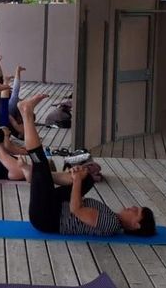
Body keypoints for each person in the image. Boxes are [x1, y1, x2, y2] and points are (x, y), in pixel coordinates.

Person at [10, 94, 156, 236]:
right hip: (56, 206)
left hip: (47, 217)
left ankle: (26, 113)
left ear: (136, 225)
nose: (132, 207)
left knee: (40, 161)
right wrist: (79, 177)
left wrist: (77, 180)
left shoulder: (111, 223)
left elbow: (75, 209)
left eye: (136, 212)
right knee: (88, 178)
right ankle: (39, 176)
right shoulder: (112, 217)